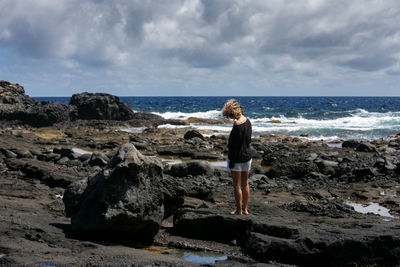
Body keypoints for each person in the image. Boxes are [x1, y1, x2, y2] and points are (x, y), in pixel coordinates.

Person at [222, 99, 252, 215]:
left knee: (236, 186)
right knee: (245, 184)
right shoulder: (247, 121)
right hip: (247, 156)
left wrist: (231, 161)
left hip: (237, 158)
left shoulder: (236, 124)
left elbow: (233, 145)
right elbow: (248, 140)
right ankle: (245, 209)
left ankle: (238, 210)